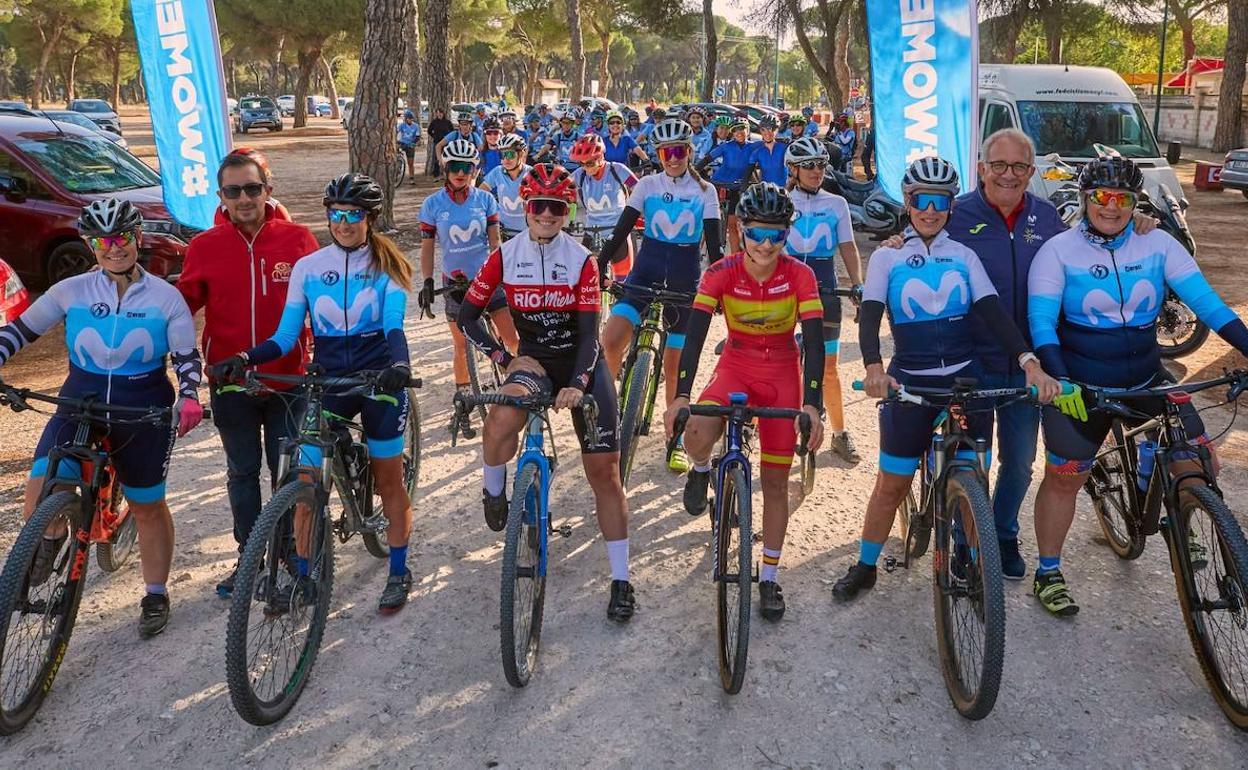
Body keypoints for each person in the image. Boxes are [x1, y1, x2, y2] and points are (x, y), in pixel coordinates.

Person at [880, 128, 1157, 580]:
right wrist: (897, 241)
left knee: (1020, 463)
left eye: (1019, 167)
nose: (1009, 176)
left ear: (1031, 172)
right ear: (982, 168)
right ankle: (967, 542)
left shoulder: (1047, 217)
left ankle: (1003, 533)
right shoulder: (956, 212)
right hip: (970, 362)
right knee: (972, 459)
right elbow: (920, 234)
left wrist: (1142, 225)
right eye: (999, 165)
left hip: (1030, 364)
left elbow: (1092, 239)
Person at [1026, 156, 1248, 617]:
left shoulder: (1157, 244)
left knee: (1198, 456)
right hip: (1080, 384)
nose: (1112, 207)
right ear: (1086, 200)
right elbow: (1042, 323)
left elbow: (1209, 305)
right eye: (1102, 197)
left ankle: (1182, 509)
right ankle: (1048, 571)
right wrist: (1062, 380)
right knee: (1065, 479)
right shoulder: (1058, 251)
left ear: (1135, 202)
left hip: (1146, 377)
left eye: (1123, 198)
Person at [831, 156, 1061, 602]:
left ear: (951, 205)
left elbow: (994, 314)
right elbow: (871, 316)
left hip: (964, 381)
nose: (930, 210)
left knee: (975, 475)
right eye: (921, 200)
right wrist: (874, 368)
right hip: (910, 382)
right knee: (891, 484)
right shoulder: (888, 255)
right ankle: (865, 565)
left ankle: (973, 562)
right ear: (909, 201)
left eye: (940, 201)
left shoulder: (964, 255)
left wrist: (1029, 362)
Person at [213, 174, 417, 614]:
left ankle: (399, 568)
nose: (343, 223)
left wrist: (399, 367)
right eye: (336, 214)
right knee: (304, 479)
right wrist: (245, 358)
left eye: (353, 215)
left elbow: (393, 327)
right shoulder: (309, 268)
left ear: (370, 219)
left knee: (388, 480)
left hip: (378, 381)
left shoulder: (388, 267)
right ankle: (304, 576)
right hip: (328, 382)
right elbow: (287, 337)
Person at [1, 199, 204, 636]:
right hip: (79, 402)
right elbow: (18, 332)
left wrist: (189, 396)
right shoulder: (71, 291)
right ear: (91, 245)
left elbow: (187, 357)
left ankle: (155, 592)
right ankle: (52, 536)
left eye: (122, 237)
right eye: (103, 241)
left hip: (141, 408)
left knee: (148, 506)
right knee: (38, 496)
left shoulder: (165, 297)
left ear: (137, 238)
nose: (114, 248)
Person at [458, 164, 635, 620]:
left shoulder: (580, 260)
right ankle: (493, 492)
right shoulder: (503, 256)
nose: (547, 215)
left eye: (557, 207)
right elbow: (468, 315)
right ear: (525, 207)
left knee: (605, 475)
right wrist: (504, 359)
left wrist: (577, 386)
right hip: (534, 363)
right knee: (499, 419)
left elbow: (589, 336)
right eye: (539, 206)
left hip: (582, 366)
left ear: (567, 210)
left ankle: (621, 580)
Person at [667, 183, 826, 621]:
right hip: (736, 363)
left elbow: (814, 342)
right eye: (757, 233)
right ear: (740, 229)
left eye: (778, 234)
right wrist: (680, 396)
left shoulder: (800, 275)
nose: (767, 244)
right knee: (696, 434)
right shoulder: (721, 271)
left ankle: (771, 576)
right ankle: (701, 470)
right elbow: (696, 335)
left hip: (781, 372)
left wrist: (812, 404)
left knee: (775, 484)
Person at [180, 152, 319, 598]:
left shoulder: (297, 240)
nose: (244, 198)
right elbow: (180, 309)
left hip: (288, 381)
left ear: (268, 190)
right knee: (242, 472)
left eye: (252, 188)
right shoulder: (204, 247)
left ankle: (283, 554)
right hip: (231, 383)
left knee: (286, 475)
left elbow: (324, 301)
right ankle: (249, 555)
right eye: (234, 190)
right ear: (220, 196)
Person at [596, 118, 722, 472]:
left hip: (684, 280)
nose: (673, 158)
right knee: (611, 338)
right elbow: (621, 230)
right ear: (659, 153)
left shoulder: (705, 191)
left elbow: (714, 247)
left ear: (689, 152)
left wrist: (720, 287)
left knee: (675, 365)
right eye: (667, 152)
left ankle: (676, 439)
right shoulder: (648, 185)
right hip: (645, 271)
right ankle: (607, 415)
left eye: (679, 151)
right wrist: (600, 265)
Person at [417, 139, 518, 431]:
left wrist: (503, 273)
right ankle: (462, 398)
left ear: (475, 169)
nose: (462, 173)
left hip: (487, 279)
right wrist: (427, 281)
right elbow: (427, 248)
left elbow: (495, 241)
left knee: (511, 338)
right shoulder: (433, 204)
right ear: (446, 169)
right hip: (455, 283)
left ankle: (516, 382)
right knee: (461, 345)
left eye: (468, 167)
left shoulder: (486, 200)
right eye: (455, 167)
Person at [783, 136, 864, 463]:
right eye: (809, 166)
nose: (817, 171)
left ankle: (840, 434)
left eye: (821, 165)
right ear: (793, 170)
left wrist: (858, 285)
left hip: (825, 290)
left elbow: (848, 247)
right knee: (782, 364)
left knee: (829, 369)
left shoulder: (836, 204)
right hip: (786, 290)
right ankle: (776, 423)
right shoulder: (780, 200)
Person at [569, 133, 638, 281]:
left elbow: (639, 189)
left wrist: (639, 212)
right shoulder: (580, 174)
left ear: (601, 157)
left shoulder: (617, 170)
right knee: (587, 278)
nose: (586, 168)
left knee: (623, 281)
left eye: (589, 164)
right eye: (581, 164)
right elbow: (563, 189)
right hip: (592, 231)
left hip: (619, 231)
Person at [695, 115, 753, 254]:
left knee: (733, 225)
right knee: (707, 219)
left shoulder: (753, 146)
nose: (739, 132)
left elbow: (770, 144)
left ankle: (735, 256)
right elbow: (707, 159)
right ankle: (698, 250)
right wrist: (692, 173)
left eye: (742, 129)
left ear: (748, 130)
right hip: (718, 183)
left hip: (737, 187)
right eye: (736, 130)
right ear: (732, 133)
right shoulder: (725, 146)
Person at [479, 133, 532, 240]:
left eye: (510, 155)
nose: (506, 159)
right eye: (502, 155)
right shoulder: (497, 172)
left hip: (527, 232)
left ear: (521, 154)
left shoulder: (531, 174)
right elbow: (480, 194)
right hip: (503, 231)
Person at [747, 115, 788, 186]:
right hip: (767, 191)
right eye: (763, 129)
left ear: (777, 130)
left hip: (785, 190)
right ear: (760, 131)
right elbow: (748, 171)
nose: (768, 133)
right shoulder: (757, 151)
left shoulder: (785, 148)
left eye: (772, 129)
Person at [426, 108, 455, 177]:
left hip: (446, 143)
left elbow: (452, 131)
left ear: (443, 113)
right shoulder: (434, 122)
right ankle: (436, 174)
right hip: (437, 142)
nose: (439, 114)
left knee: (447, 158)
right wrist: (434, 136)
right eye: (438, 113)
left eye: (440, 113)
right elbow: (429, 131)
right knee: (436, 159)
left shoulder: (447, 122)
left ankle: (446, 173)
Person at [397, 109, 421, 184]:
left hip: (410, 144)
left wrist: (413, 143)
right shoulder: (402, 125)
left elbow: (417, 137)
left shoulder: (416, 126)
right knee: (396, 154)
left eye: (411, 119)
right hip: (402, 142)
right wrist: (396, 141)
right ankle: (397, 169)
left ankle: (411, 178)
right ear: (406, 119)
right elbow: (396, 131)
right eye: (408, 119)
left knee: (410, 163)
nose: (410, 120)